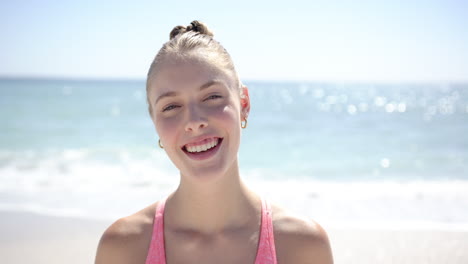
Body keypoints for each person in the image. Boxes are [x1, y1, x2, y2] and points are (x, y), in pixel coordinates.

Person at [95, 20, 333, 264]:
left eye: (212, 97)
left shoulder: (302, 246)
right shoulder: (123, 248)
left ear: (244, 104)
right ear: (155, 122)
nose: (194, 121)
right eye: (171, 106)